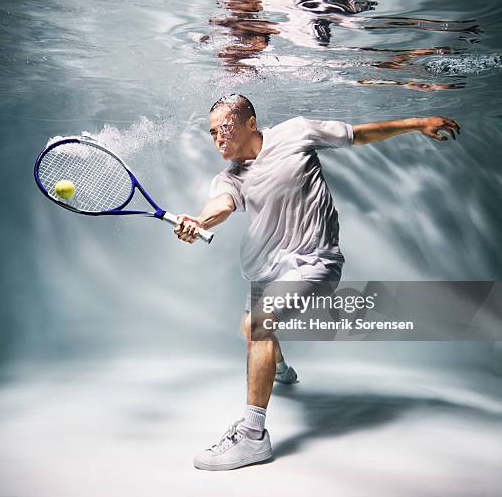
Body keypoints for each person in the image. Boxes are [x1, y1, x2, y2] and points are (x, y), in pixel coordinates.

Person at [174, 93, 460, 471]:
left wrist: (416, 123)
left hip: (316, 263)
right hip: (266, 270)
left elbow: (358, 135)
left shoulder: (295, 133)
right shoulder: (229, 177)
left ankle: (253, 436)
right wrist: (198, 221)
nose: (218, 140)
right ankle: (279, 370)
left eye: (224, 129)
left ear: (250, 123)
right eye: (212, 133)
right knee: (250, 327)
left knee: (260, 325)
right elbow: (222, 205)